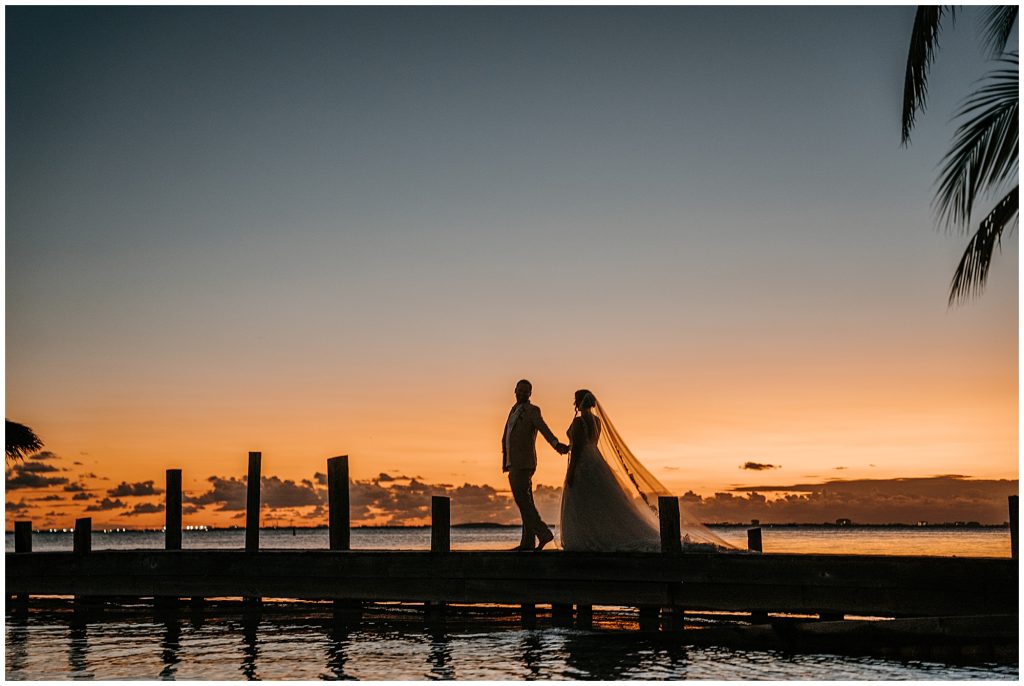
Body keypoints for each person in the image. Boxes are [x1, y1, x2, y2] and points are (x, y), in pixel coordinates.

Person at [559, 389, 733, 552]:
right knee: (598, 502)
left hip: (583, 463)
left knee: (584, 502)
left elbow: (578, 449)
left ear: (578, 402)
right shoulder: (596, 421)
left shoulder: (578, 421)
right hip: (596, 461)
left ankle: (587, 537)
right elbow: (592, 444)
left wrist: (572, 472)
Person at [502, 379, 569, 551]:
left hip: (524, 463)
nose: (523, 393)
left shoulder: (533, 411)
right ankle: (527, 542)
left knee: (522, 501)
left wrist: (556, 444)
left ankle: (543, 533)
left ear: (530, 394)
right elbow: (508, 435)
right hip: (512, 462)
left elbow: (543, 428)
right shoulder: (512, 410)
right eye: (520, 390)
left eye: (526, 391)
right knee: (526, 501)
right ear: (515, 390)